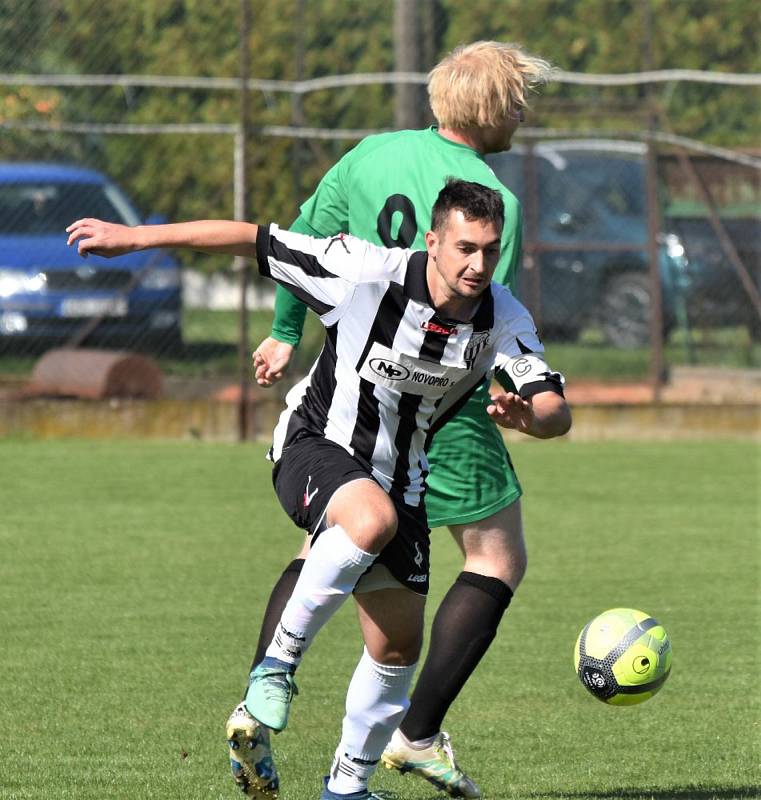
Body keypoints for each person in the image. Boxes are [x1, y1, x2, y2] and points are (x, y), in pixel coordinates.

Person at [66, 178, 571, 800]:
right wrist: (135, 238)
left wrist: (535, 417)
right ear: (433, 240)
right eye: (465, 248)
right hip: (314, 445)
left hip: (403, 479)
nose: (478, 264)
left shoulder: (502, 314)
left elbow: (552, 404)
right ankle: (276, 667)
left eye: (490, 251)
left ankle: (346, 787)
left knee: (397, 647)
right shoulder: (362, 271)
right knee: (367, 520)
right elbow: (252, 239)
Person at [242, 41, 553, 799]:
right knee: (494, 556)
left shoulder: (369, 152)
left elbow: (302, 233)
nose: (522, 111)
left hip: (343, 381)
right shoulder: (490, 199)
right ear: (491, 103)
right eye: (518, 97)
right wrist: (522, 402)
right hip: (434, 399)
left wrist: (286, 331)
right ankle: (412, 735)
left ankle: (260, 701)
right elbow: (472, 322)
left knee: (340, 539)